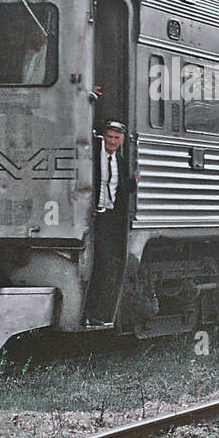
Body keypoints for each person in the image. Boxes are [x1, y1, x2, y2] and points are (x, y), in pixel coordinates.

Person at [85, 120, 139, 327]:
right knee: (100, 263)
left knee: (107, 264)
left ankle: (97, 314)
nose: (112, 141)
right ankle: (90, 313)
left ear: (122, 140)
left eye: (117, 138)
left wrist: (133, 182)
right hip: (92, 216)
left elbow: (120, 188)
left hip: (109, 218)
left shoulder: (119, 160)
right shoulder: (92, 157)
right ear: (103, 137)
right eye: (109, 136)